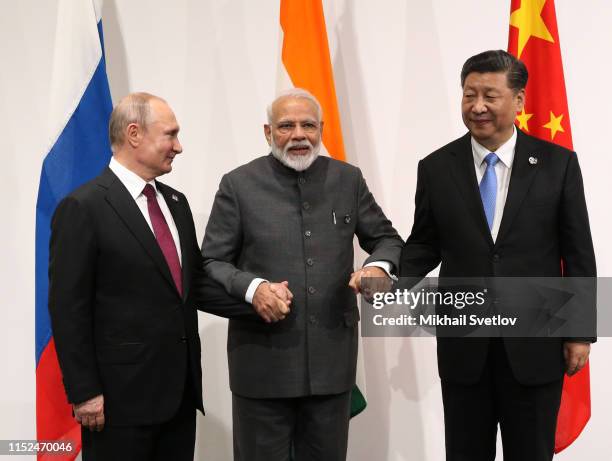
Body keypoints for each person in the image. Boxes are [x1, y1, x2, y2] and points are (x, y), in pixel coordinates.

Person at [400, 50, 596, 461]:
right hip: (465, 344)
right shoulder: (436, 167)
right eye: (469, 95)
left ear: (519, 101)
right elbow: (424, 243)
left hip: (535, 346)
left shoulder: (557, 165)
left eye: (490, 95)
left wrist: (580, 332)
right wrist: (386, 273)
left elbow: (578, 253)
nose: (478, 106)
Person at [201, 88, 403, 461]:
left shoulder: (348, 179)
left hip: (332, 365)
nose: (298, 134)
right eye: (286, 126)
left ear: (321, 129)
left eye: (308, 125)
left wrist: (377, 265)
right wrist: (254, 288)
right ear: (267, 132)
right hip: (262, 367)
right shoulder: (238, 184)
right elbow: (211, 262)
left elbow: (388, 240)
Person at [48, 92, 244, 461]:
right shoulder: (83, 207)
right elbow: (67, 309)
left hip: (180, 398)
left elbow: (193, 285)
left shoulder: (175, 202)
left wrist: (258, 298)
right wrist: (84, 392)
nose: (179, 146)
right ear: (134, 134)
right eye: (170, 134)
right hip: (117, 403)